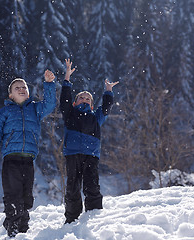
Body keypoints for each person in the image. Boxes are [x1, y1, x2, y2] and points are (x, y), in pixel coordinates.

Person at [0, 70, 56, 237]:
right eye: (17, 88)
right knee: (13, 195)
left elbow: (50, 105)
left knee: (26, 197)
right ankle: (15, 229)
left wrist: (49, 84)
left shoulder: (35, 109)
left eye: (24, 87)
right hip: (11, 159)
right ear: (10, 95)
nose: (22, 89)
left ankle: (19, 223)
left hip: (28, 160)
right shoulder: (5, 112)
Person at [60, 59, 119, 224]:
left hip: (91, 155)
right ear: (75, 102)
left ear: (92, 105)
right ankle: (71, 218)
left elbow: (106, 107)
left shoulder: (96, 117)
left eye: (88, 99)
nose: (85, 99)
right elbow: (64, 100)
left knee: (91, 185)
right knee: (72, 187)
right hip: (72, 154)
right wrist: (67, 79)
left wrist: (108, 91)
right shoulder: (69, 113)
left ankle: (94, 215)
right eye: (81, 98)